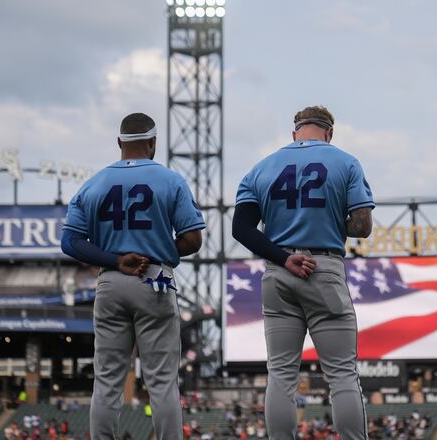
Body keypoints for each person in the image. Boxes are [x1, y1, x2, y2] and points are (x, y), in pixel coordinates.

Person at [232, 106, 374, 439]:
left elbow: (241, 229)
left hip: (279, 270)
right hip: (323, 267)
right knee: (341, 374)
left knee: (280, 374)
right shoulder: (345, 161)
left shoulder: (262, 167)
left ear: (294, 132)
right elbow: (363, 226)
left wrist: (283, 257)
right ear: (329, 132)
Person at [62, 113, 206, 440]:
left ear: (119, 142)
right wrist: (158, 250)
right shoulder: (170, 180)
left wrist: (115, 259)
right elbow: (193, 240)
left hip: (111, 280)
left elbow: (70, 242)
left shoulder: (93, 183)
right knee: (161, 381)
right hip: (154, 279)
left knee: (107, 380)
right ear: (153, 142)